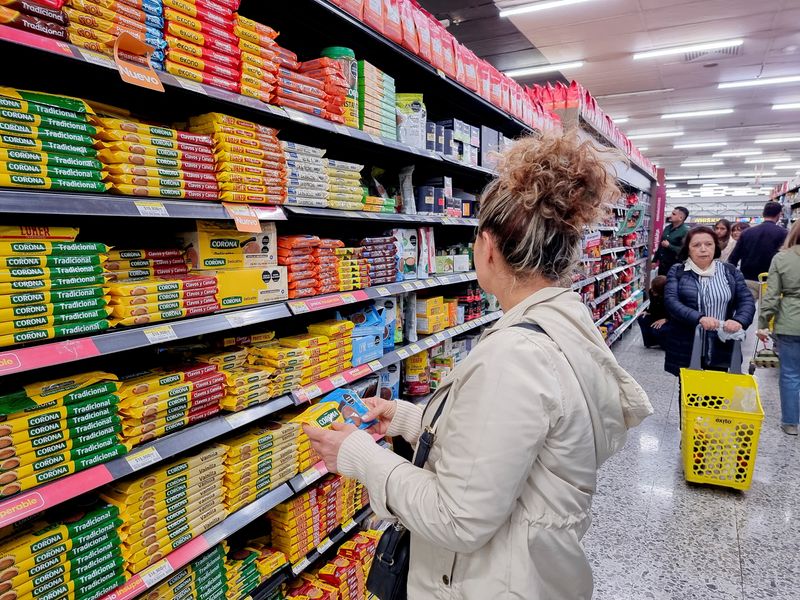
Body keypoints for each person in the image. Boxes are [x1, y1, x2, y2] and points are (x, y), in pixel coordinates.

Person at [303, 133, 653, 600]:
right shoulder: (562, 327)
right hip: (536, 571)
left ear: (487, 247)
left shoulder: (515, 357)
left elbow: (458, 519)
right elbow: (513, 445)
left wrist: (359, 457)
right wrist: (410, 420)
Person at [663, 226, 755, 376]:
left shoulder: (730, 271)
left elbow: (746, 300)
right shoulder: (678, 271)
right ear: (688, 249)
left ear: (715, 247)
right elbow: (672, 302)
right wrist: (699, 318)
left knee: (716, 390)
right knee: (689, 391)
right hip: (687, 344)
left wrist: (739, 320)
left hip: (720, 343)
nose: (703, 249)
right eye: (696, 245)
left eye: (708, 244)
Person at [757, 219, 800, 435]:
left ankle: (791, 423)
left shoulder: (782, 258)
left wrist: (764, 323)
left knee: (791, 374)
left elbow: (771, 296)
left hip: (790, 322)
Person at [728, 202, 787, 297]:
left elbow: (733, 258)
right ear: (779, 214)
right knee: (769, 310)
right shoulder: (783, 233)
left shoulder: (747, 233)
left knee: (748, 308)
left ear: (763, 214)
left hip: (748, 279)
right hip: (772, 280)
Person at [656, 206, 690, 276]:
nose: (671, 216)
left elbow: (685, 250)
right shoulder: (667, 228)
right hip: (662, 265)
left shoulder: (685, 231)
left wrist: (669, 246)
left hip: (675, 266)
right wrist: (654, 260)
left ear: (681, 218)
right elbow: (661, 244)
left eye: (674, 214)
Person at [638, 275, 668, 348]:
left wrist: (666, 319)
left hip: (669, 319)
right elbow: (653, 305)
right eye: (652, 289)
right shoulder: (651, 292)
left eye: (655, 291)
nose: (652, 292)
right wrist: (647, 311)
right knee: (642, 318)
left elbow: (676, 313)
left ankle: (666, 345)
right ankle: (650, 342)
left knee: (657, 329)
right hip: (657, 315)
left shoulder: (670, 296)